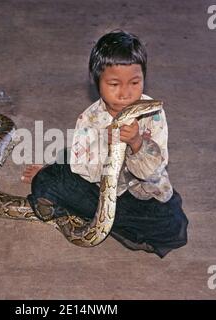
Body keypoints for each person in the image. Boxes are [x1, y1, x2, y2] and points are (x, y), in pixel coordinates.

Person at [21, 30, 188, 258]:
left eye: (135, 82)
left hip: (142, 195)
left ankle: (97, 216)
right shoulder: (89, 119)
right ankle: (57, 171)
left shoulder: (152, 114)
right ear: (97, 82)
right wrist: (108, 150)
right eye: (114, 84)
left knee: (171, 227)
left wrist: (137, 143)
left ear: (144, 79)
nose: (125, 93)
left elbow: (155, 170)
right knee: (45, 182)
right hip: (100, 189)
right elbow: (86, 173)